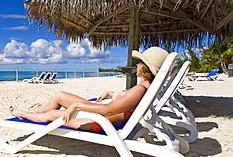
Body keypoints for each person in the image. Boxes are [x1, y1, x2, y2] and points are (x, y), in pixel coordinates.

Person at [9, 47, 170, 132]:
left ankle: (24, 114)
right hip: (99, 115)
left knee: (52, 115)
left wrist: (77, 106)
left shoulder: (140, 89)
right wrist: (111, 93)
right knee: (60, 95)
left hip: (99, 122)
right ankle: (35, 114)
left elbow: (108, 111)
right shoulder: (143, 88)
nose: (137, 65)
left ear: (147, 68)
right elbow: (126, 103)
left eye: (140, 62)